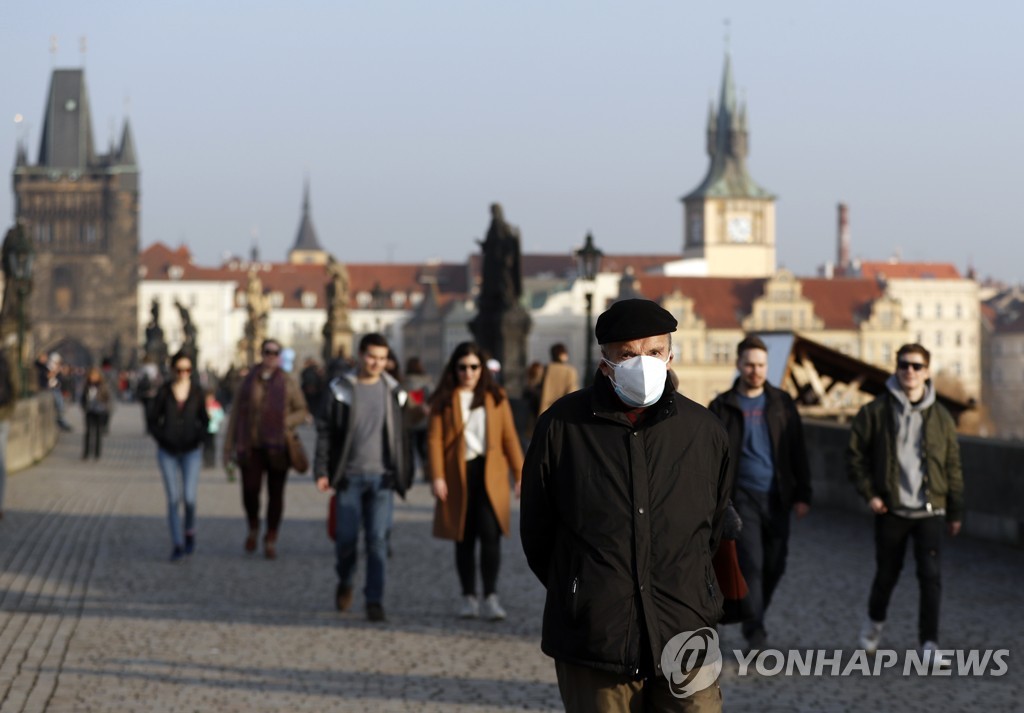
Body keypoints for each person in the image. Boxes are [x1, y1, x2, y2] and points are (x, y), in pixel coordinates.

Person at [521, 298, 731, 712]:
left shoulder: (703, 430)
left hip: (684, 628)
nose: (643, 364)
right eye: (628, 355)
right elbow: (538, 532)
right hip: (598, 635)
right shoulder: (562, 427)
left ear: (671, 355)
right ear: (605, 364)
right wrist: (581, 590)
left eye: (653, 352)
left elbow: (714, 526)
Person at [847, 343, 963, 661]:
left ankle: (929, 644)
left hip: (930, 510)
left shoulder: (941, 417)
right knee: (887, 574)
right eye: (903, 365)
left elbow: (952, 465)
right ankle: (874, 626)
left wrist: (955, 510)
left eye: (916, 366)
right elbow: (855, 455)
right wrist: (870, 493)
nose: (909, 371)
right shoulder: (876, 412)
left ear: (926, 371)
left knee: (931, 577)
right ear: (896, 369)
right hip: (892, 509)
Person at [708, 335, 812, 651]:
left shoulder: (781, 402)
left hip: (778, 494)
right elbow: (711, 456)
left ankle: (753, 613)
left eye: (761, 365)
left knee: (776, 564)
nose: (755, 371)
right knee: (752, 562)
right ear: (739, 365)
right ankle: (755, 632)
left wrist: (803, 493)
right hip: (741, 496)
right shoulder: (722, 405)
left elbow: (797, 450)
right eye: (750, 364)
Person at [313, 333, 413, 622]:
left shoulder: (394, 391)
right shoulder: (341, 389)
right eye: (372, 357)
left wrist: (403, 472)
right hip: (349, 476)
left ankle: (374, 600)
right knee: (345, 540)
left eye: (382, 359)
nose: (376, 363)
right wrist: (322, 470)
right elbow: (325, 432)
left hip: (383, 478)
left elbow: (402, 437)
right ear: (360, 355)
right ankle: (345, 580)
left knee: (377, 541)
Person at [428, 342, 524, 621]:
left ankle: (491, 596)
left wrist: (520, 474)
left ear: (482, 369)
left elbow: (509, 437)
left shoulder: (496, 397)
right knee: (463, 537)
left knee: (490, 535)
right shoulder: (445, 399)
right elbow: (434, 440)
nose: (468, 372)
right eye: (462, 367)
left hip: (490, 473)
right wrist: (437, 476)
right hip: (459, 474)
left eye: (473, 367)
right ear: (454, 369)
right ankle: (468, 596)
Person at [222, 338, 309, 559]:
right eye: (267, 352)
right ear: (261, 354)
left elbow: (301, 410)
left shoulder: (288, 382)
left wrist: (285, 422)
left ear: (279, 356)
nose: (271, 356)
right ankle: (253, 526)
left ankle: (271, 536)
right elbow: (235, 415)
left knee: (276, 494)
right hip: (250, 444)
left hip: (278, 446)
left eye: (275, 352)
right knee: (250, 490)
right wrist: (228, 446)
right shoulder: (248, 380)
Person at [147, 351, 209, 561]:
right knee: (173, 499)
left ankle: (189, 529)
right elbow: (152, 421)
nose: (184, 374)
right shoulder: (164, 392)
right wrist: (162, 438)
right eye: (180, 370)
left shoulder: (198, 392)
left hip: (191, 451)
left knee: (189, 498)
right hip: (168, 452)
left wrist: (199, 439)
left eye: (188, 370)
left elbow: (206, 421)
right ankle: (177, 543)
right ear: (173, 370)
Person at [403, 356, 434, 480]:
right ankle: (427, 472)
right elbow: (432, 398)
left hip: (410, 420)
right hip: (424, 419)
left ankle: (408, 473)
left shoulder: (405, 382)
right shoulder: (427, 382)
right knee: (424, 450)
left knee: (410, 449)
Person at [537, 342, 580, 415]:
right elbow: (572, 393)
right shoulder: (570, 371)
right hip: (562, 411)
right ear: (562, 354)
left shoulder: (545, 369)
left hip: (545, 409)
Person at [80, 367, 111, 459]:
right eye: (91, 376)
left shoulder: (103, 386)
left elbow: (107, 398)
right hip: (89, 411)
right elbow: (82, 398)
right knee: (88, 432)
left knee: (98, 433)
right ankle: (86, 453)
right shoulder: (87, 386)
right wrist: (84, 407)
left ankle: (97, 453)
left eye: (95, 376)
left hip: (99, 411)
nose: (93, 378)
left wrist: (104, 406)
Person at [203, 388, 225, 468]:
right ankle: (206, 460)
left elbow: (221, 416)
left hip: (213, 428)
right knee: (206, 445)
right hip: (205, 428)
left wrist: (214, 417)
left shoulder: (216, 405)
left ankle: (212, 460)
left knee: (212, 445)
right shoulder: (203, 405)